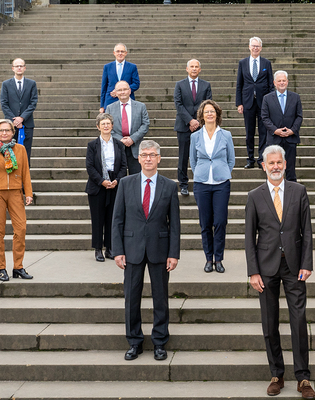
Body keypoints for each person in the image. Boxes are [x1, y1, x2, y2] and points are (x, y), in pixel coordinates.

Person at [245, 145, 315, 399]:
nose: (275, 166)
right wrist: (253, 271)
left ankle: (303, 377)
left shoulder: (299, 191)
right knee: (269, 322)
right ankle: (277, 373)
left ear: (285, 164)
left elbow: (306, 231)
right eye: (270, 163)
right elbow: (249, 236)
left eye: (279, 162)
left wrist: (307, 263)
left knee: (298, 321)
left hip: (295, 266)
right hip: (266, 268)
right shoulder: (255, 195)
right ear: (263, 166)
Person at [111, 140, 180, 362]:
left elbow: (175, 224)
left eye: (152, 155)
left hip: (160, 249)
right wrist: (118, 250)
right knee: (132, 297)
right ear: (138, 158)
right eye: (144, 155)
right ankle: (134, 342)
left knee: (160, 298)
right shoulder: (125, 183)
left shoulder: (169, 186)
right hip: (132, 249)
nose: (148, 158)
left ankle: (160, 342)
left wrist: (174, 253)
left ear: (159, 158)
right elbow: (117, 220)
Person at [0, 119, 34, 282]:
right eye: (1, 130)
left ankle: (18, 266)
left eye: (7, 130)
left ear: (13, 132)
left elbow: (26, 171)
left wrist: (29, 193)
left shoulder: (20, 149)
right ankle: (1, 267)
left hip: (16, 192)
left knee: (21, 229)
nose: (4, 133)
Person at [189, 100, 234, 274]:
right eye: (207, 111)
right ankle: (209, 258)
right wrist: (200, 173)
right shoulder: (195, 136)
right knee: (205, 222)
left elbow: (231, 159)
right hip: (202, 184)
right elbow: (193, 160)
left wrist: (222, 171)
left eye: (212, 111)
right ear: (202, 115)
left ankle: (219, 258)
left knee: (220, 221)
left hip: (221, 183)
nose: (209, 114)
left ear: (217, 114)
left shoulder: (226, 135)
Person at [85, 113, 127, 262]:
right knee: (98, 219)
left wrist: (117, 180)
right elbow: (89, 167)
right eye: (103, 124)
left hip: (115, 185)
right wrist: (102, 181)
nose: (106, 126)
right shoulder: (92, 145)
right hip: (97, 186)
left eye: (108, 123)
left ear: (112, 126)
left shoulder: (119, 144)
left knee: (112, 218)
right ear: (98, 127)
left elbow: (123, 166)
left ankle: (110, 248)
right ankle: (98, 249)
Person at [174, 59, 213, 196]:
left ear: (200, 69)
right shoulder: (179, 85)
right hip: (184, 126)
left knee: (201, 155)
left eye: (197, 67)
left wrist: (197, 121)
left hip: (201, 126)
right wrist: (190, 121)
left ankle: (200, 181)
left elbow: (208, 104)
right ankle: (183, 184)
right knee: (183, 156)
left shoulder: (206, 85)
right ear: (187, 69)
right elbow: (178, 104)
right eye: (192, 67)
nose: (194, 69)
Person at [236, 36, 274, 168]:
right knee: (249, 133)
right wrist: (239, 103)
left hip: (263, 103)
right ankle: (250, 159)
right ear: (249, 47)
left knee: (263, 132)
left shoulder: (266, 63)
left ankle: (261, 159)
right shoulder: (243, 63)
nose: (255, 48)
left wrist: (270, 103)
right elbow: (239, 84)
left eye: (257, 46)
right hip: (248, 102)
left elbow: (270, 84)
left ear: (261, 48)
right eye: (253, 46)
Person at [261, 71, 302, 182]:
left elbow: (299, 116)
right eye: (279, 81)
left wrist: (292, 130)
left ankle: (292, 196)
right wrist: (275, 130)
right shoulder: (267, 98)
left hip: (290, 139)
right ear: (274, 83)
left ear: (287, 82)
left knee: (290, 170)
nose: (282, 83)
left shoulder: (295, 97)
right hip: (274, 138)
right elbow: (264, 117)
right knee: (273, 169)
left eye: (284, 80)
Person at [107, 81, 149, 175]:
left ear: (130, 91)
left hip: (135, 147)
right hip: (118, 147)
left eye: (125, 89)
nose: (122, 92)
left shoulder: (141, 106)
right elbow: (108, 127)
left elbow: (145, 124)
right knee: (119, 179)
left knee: (136, 179)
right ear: (116, 92)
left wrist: (132, 139)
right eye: (119, 90)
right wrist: (120, 139)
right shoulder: (110, 108)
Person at [0, 58, 38, 159]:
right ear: (13, 68)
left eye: (21, 66)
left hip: (27, 124)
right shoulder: (6, 84)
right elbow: (4, 103)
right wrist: (15, 119)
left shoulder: (31, 84)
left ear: (25, 68)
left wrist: (22, 118)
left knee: (26, 153)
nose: (19, 68)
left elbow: (33, 103)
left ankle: (25, 174)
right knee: (10, 152)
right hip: (10, 124)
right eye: (17, 66)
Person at [100, 43, 140, 113]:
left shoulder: (132, 67)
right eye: (118, 51)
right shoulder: (107, 67)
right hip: (110, 101)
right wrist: (102, 105)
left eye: (122, 51)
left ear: (126, 53)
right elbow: (104, 86)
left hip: (127, 100)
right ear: (114, 53)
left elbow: (136, 84)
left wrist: (122, 91)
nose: (120, 53)